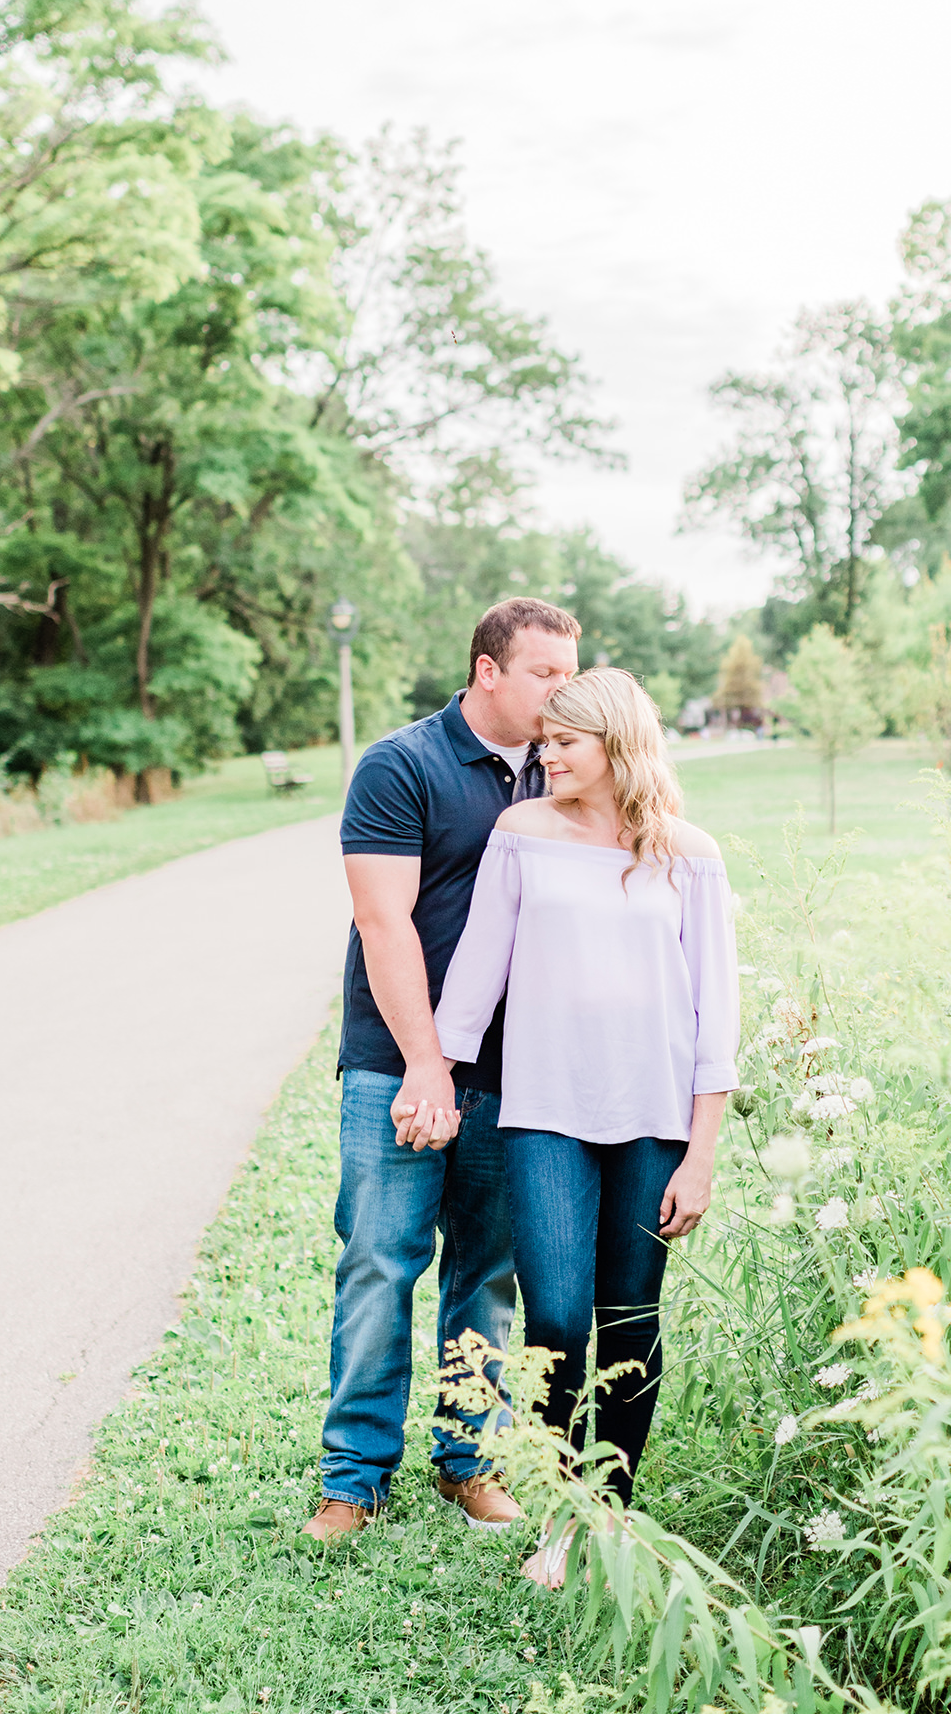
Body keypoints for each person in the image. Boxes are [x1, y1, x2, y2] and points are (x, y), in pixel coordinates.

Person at [433, 667, 738, 1584]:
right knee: (558, 1321)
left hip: (652, 1123)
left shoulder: (690, 853)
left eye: (565, 741)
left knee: (631, 1322)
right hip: (544, 1115)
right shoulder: (521, 834)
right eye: (543, 742)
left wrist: (701, 1154)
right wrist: (434, 1078)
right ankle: (560, 1510)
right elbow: (477, 975)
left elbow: (712, 1015)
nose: (546, 755)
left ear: (616, 743)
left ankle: (605, 1516)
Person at [302, 598, 581, 1541]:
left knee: (488, 1274)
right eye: (545, 671)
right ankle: (354, 1476)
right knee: (379, 1262)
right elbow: (383, 924)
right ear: (487, 669)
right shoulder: (402, 765)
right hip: (398, 1062)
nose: (562, 689)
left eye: (570, 672)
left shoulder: (566, 769)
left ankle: (468, 1461)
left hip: (517, 1067)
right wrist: (426, 1062)